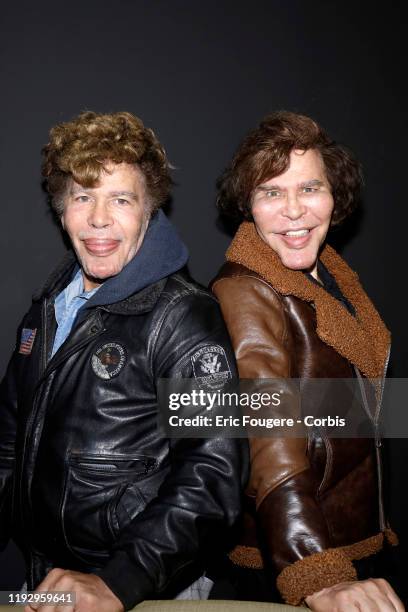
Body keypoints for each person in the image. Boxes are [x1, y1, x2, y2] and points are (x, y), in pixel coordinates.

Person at [0, 111, 247, 612]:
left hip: (142, 587)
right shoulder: (46, 309)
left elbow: (212, 474)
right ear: (61, 209)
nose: (97, 219)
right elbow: (8, 440)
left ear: (149, 210)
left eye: (120, 199)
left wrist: (119, 581)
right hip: (43, 579)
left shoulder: (184, 316)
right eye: (82, 197)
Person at [211, 111, 404, 611]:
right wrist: (319, 574)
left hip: (360, 544)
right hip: (291, 561)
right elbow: (267, 437)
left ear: (334, 195)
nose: (294, 210)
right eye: (271, 192)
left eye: (310, 188)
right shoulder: (245, 290)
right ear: (247, 206)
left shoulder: (335, 277)